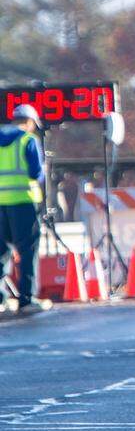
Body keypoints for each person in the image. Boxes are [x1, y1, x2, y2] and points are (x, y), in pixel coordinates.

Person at [0, 104, 50, 315]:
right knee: (27, 251)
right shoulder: (28, 140)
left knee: (1, 252)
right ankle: (26, 299)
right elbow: (34, 174)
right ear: (29, 122)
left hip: (0, 203)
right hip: (23, 203)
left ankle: (1, 299)